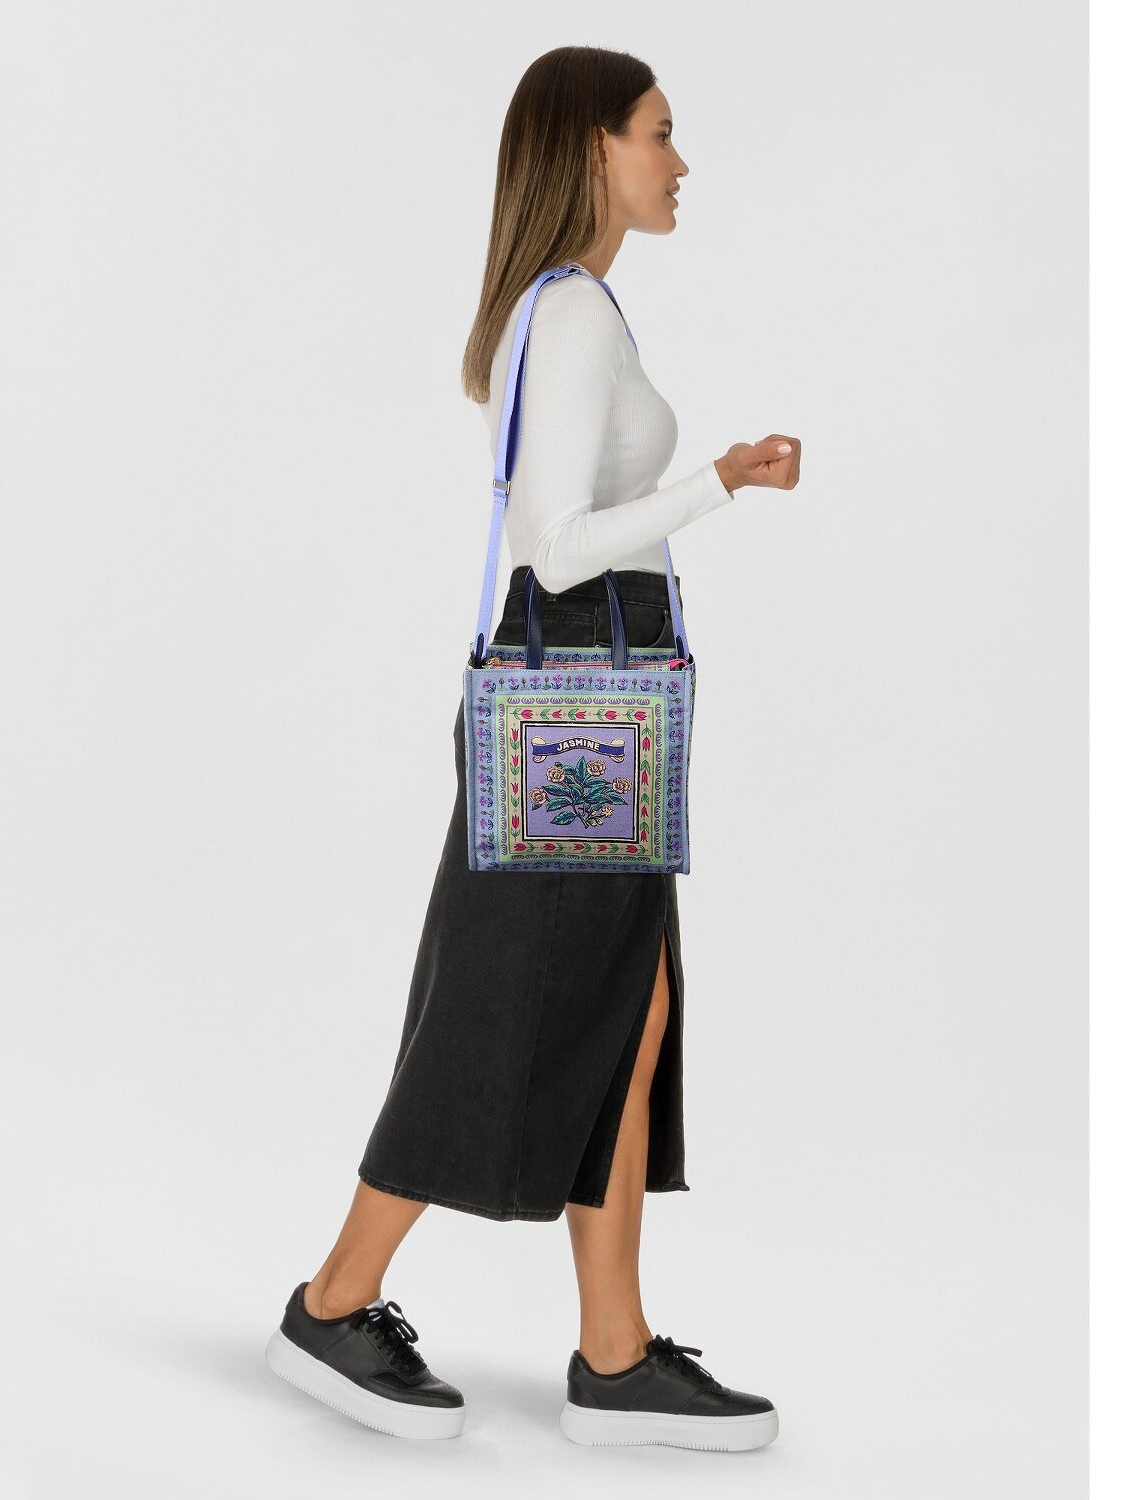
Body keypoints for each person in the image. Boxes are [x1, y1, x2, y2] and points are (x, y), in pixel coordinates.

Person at [265, 46, 801, 1452]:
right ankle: (335, 1300)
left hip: (594, 702)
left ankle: (614, 1349)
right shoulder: (567, 314)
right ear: (592, 147)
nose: (679, 163)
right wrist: (717, 482)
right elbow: (554, 544)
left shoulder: (578, 307)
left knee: (631, 1005)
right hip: (575, 699)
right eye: (659, 135)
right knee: (500, 1002)